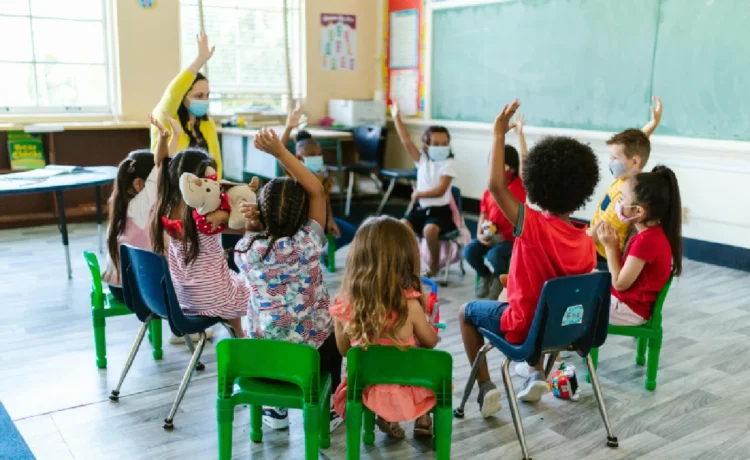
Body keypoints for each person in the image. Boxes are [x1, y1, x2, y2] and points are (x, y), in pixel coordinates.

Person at [458, 99, 600, 417]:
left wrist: (498, 133)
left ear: (533, 184)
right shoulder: (586, 239)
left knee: (466, 313)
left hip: (525, 329)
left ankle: (485, 387)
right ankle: (537, 374)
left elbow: (496, 185)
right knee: (540, 306)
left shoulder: (532, 225)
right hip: (567, 332)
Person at [234, 128, 341, 431]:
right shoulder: (310, 244)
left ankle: (275, 409)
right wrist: (281, 152)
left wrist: (253, 224)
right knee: (331, 334)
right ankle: (329, 408)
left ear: (261, 214)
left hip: (264, 359)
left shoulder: (246, 251)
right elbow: (317, 191)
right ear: (304, 216)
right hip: (310, 356)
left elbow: (253, 236)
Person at [331, 216, 439, 439]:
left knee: (378, 360)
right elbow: (430, 342)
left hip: (364, 387)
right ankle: (423, 418)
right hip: (407, 387)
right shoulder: (410, 306)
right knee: (427, 363)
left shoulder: (343, 305)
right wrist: (427, 324)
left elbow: (344, 351)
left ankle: (388, 417)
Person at [150, 146, 248, 338]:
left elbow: (160, 164)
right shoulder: (205, 214)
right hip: (210, 298)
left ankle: (238, 334)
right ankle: (242, 337)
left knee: (228, 277)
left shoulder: (166, 207)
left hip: (183, 298)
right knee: (255, 285)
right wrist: (225, 213)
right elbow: (245, 227)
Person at [103, 113, 180, 301]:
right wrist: (166, 137)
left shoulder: (122, 201)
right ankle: (187, 329)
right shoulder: (139, 206)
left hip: (121, 286)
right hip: (134, 289)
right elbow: (162, 165)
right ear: (139, 184)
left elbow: (162, 166)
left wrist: (174, 137)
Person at [598, 166, 682, 326]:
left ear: (638, 211)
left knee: (571, 304)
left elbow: (620, 284)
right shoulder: (651, 235)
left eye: (622, 199)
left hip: (628, 310)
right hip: (624, 305)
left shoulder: (646, 241)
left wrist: (610, 248)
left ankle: (559, 348)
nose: (618, 203)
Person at [589, 96, 663, 269]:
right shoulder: (631, 177)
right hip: (595, 241)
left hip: (599, 253)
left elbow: (598, 232)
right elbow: (637, 146)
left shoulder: (625, 197)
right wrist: (653, 124)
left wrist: (573, 243)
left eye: (615, 158)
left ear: (634, 162)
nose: (610, 162)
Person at [464, 114, 528, 299]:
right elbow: (483, 215)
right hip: (490, 236)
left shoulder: (520, 186)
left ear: (513, 169)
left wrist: (520, 135)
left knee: (494, 256)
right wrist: (479, 235)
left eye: (501, 165)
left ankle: (499, 280)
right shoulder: (488, 190)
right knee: (470, 251)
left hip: (510, 240)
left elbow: (525, 159)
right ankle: (485, 275)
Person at [279, 104, 355, 257]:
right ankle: (312, 254)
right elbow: (279, 150)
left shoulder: (321, 175)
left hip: (320, 221)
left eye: (319, 153)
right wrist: (288, 128)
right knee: (307, 244)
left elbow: (325, 200)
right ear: (299, 158)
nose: (318, 157)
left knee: (351, 233)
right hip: (298, 224)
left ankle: (325, 253)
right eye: (313, 154)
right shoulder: (294, 173)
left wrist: (330, 220)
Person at [390, 102, 457, 277]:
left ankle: (435, 265)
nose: (441, 147)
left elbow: (441, 190)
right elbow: (406, 140)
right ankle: (408, 263)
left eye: (444, 143)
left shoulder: (449, 164)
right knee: (402, 226)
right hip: (420, 209)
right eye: (436, 143)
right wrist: (396, 117)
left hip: (440, 213)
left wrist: (419, 193)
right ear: (426, 145)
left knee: (430, 231)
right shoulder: (422, 160)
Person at [151, 31, 222, 178]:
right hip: (173, 191)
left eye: (207, 95)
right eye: (198, 96)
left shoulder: (207, 124)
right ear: (183, 97)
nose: (204, 100)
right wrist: (200, 60)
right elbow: (173, 93)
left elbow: (217, 164)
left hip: (203, 193)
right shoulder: (166, 118)